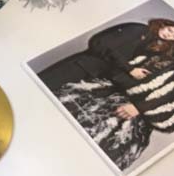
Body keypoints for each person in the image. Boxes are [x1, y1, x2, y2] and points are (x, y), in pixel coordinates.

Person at [40, 19, 174, 170]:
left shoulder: (154, 47)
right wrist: (129, 69)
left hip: (97, 79)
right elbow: (98, 43)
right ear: (163, 24)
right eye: (170, 30)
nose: (169, 35)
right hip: (82, 66)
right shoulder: (138, 29)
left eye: (173, 36)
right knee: (43, 95)